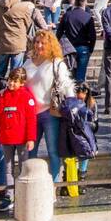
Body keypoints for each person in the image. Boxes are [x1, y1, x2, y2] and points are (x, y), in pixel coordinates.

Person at [23, 29, 76, 183]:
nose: (39, 46)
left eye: (43, 43)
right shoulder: (28, 61)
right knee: (30, 149)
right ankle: (30, 181)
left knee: (53, 150)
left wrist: (72, 105)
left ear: (50, 45)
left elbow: (67, 85)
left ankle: (53, 184)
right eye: (37, 42)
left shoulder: (56, 63)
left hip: (50, 112)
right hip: (31, 113)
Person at [0, 67, 37, 210]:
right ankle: (9, 195)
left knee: (23, 167)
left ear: (22, 83)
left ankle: (23, 194)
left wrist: (30, 138)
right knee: (8, 168)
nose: (11, 84)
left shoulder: (27, 97)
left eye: (15, 81)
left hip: (22, 139)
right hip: (6, 139)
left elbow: (31, 119)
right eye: (10, 80)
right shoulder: (3, 97)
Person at [0, 0, 43, 94]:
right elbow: (28, 23)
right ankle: (13, 96)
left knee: (0, 72)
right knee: (16, 73)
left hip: (2, 44)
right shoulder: (22, 7)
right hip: (17, 45)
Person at [57, 0, 97, 83]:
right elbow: (93, 36)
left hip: (69, 48)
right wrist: (91, 49)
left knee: (69, 74)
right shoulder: (88, 17)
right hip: (83, 47)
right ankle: (79, 93)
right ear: (85, 3)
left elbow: (59, 32)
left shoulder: (67, 15)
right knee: (81, 74)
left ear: (75, 2)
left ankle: (71, 93)